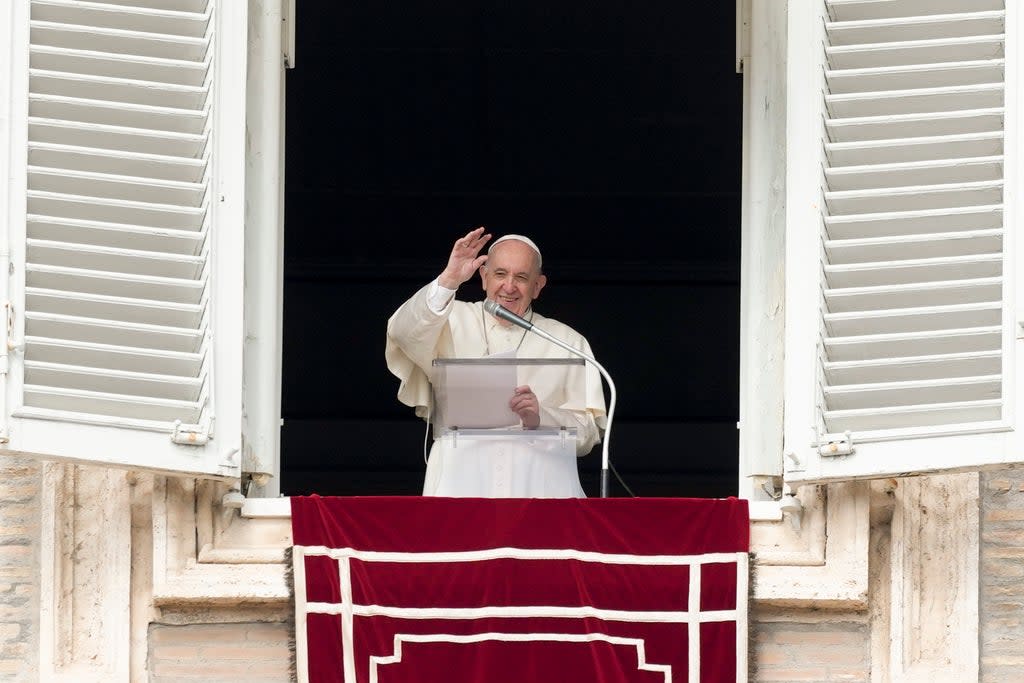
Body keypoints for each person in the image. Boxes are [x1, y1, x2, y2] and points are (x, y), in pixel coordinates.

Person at [386, 227, 607, 497]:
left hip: (540, 486)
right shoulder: (448, 319)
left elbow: (588, 435)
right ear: (483, 277)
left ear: (538, 286)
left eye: (522, 277)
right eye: (500, 274)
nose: (509, 286)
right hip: (461, 482)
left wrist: (542, 417)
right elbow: (403, 332)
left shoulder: (568, 341)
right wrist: (448, 280)